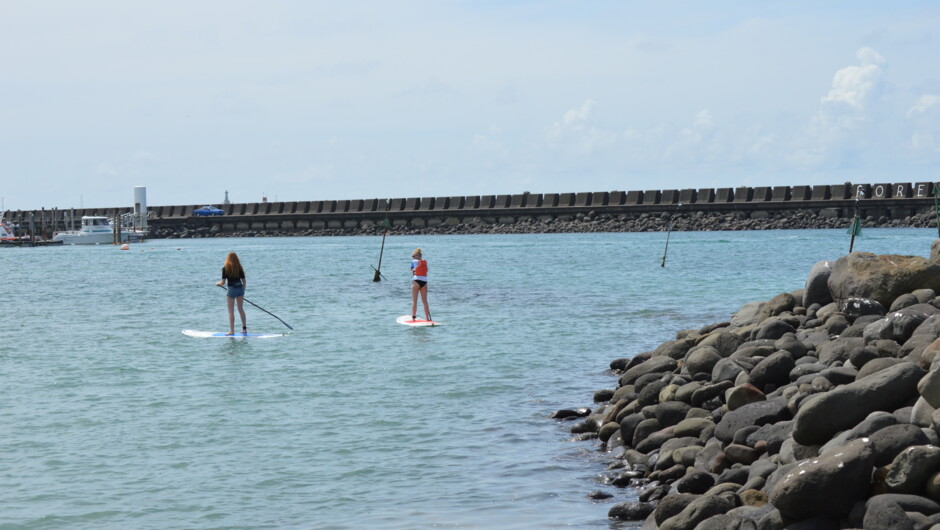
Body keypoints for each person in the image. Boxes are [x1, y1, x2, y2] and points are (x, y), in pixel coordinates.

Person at [215, 252, 247, 335]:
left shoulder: (226, 268)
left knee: (231, 311)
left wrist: (217, 284)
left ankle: (232, 331)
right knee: (241, 309)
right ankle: (244, 329)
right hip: (240, 289)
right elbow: (244, 281)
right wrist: (242, 290)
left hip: (232, 289)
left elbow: (222, 282)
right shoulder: (239, 267)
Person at [410, 248, 431, 321]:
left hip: (416, 281)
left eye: (413, 256)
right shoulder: (424, 262)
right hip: (424, 282)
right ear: (420, 256)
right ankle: (427, 319)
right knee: (425, 301)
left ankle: (413, 318)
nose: (413, 258)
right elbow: (427, 270)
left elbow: (411, 269)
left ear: (415, 256)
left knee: (414, 300)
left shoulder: (413, 261)